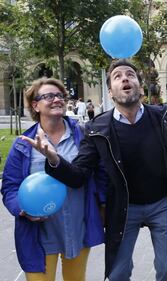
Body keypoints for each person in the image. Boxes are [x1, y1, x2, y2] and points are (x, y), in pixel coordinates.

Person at [22, 59, 167, 281]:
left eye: (130, 74)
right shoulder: (97, 128)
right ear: (111, 91)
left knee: (166, 269)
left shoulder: (160, 116)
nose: (125, 78)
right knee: (118, 273)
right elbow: (79, 174)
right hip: (124, 208)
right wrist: (53, 159)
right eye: (117, 76)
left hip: (162, 204)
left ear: (139, 85)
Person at [1, 77, 105, 281]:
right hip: (38, 233)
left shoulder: (83, 136)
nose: (57, 99)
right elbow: (10, 187)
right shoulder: (23, 145)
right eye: (48, 96)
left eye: (60, 95)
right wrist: (21, 209)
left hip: (77, 228)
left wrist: (103, 207)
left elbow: (99, 175)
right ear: (35, 105)